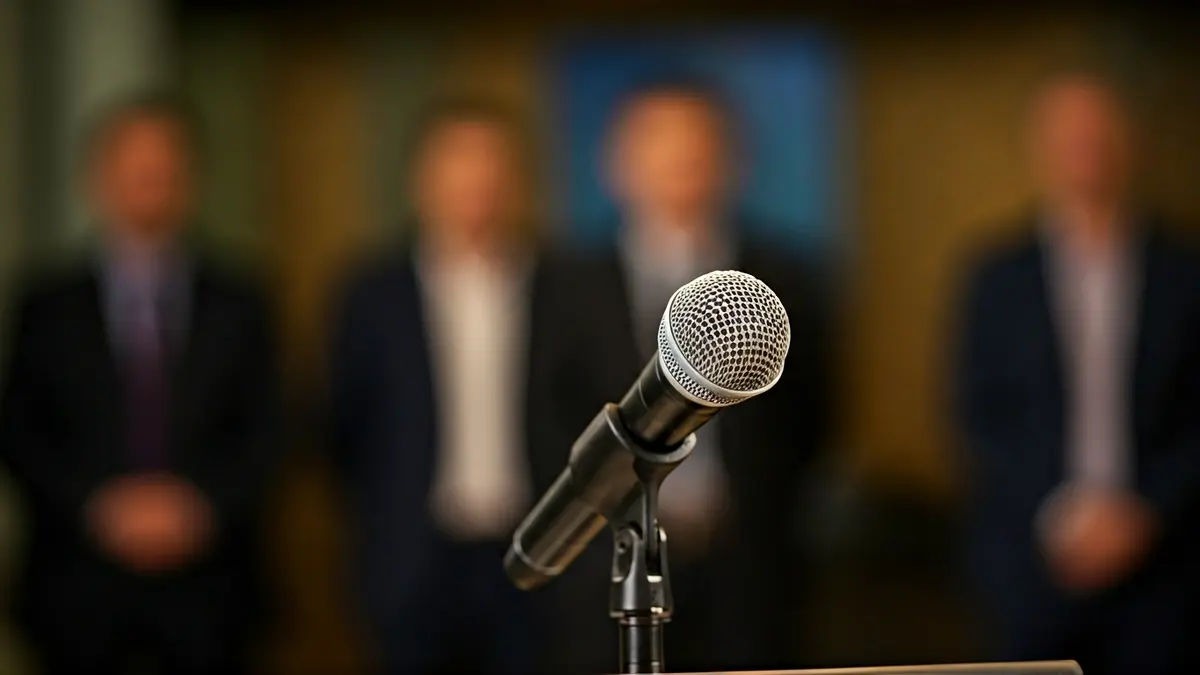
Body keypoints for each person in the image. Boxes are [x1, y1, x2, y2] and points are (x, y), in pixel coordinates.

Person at [529, 79, 829, 673]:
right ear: (617, 163)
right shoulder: (566, 282)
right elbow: (546, 416)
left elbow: (813, 416)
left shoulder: (785, 276)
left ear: (734, 160)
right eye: (659, 142)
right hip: (608, 566)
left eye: (697, 143)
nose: (680, 159)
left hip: (746, 563)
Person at [0, 93, 281, 675]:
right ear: (97, 178)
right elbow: (20, 430)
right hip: (77, 585)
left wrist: (198, 507)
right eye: (134, 167)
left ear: (192, 177)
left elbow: (271, 428)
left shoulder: (242, 300)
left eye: (164, 167)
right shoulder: (46, 304)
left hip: (212, 591)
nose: (150, 181)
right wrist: (98, 506)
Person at [953, 71, 1200, 675]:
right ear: (1039, 148)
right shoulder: (994, 277)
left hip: (1166, 560)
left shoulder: (1185, 273)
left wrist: (1145, 515)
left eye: (1098, 133)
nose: (1085, 150)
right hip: (1030, 561)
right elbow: (975, 414)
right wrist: (1059, 515)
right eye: (1069, 135)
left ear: (1128, 142)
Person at [328, 98, 545, 674]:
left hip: (532, 552)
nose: (475, 180)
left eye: (491, 163)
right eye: (458, 162)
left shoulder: (556, 284)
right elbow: (342, 429)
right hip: (413, 558)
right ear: (421, 178)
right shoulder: (372, 294)